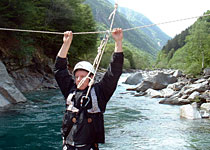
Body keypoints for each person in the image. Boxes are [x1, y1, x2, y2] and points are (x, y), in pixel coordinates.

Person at [54, 28, 124, 150]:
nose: (79, 79)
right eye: (76, 77)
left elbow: (114, 72)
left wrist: (118, 42)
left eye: (83, 76)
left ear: (91, 77)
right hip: (68, 146)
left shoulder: (100, 92)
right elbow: (59, 69)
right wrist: (66, 44)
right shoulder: (70, 90)